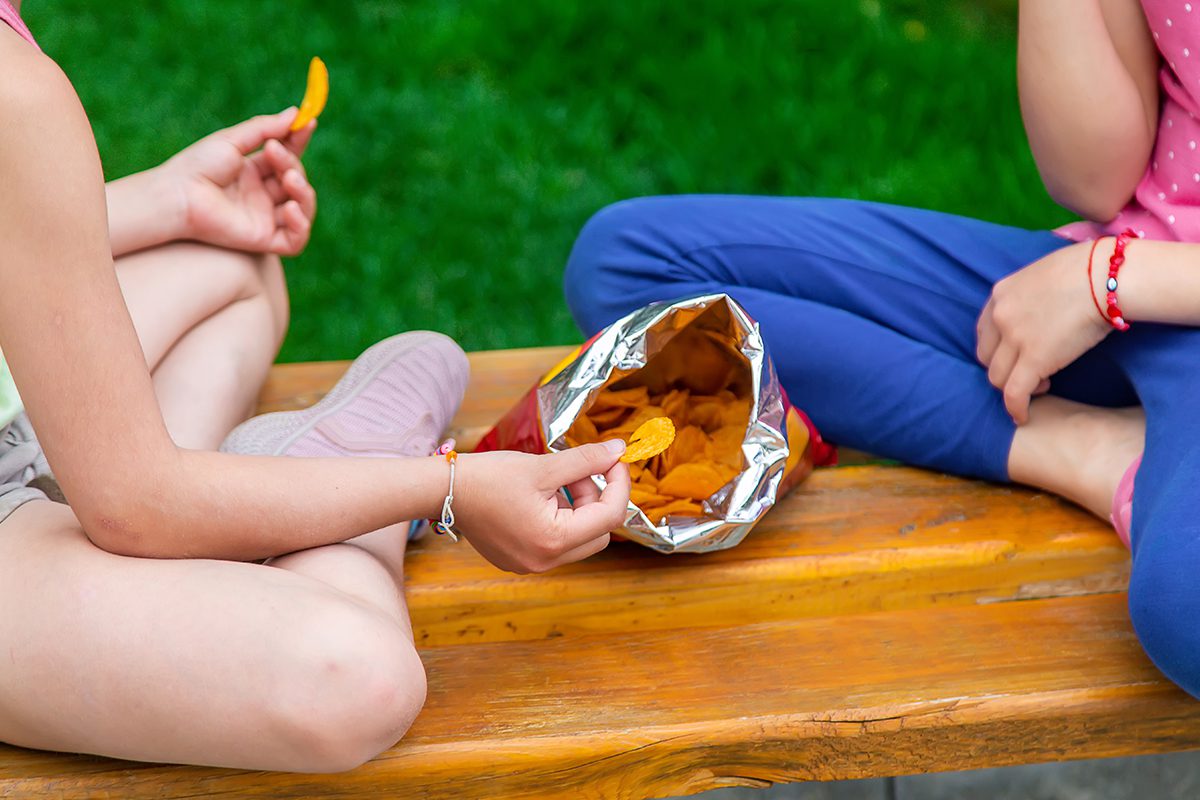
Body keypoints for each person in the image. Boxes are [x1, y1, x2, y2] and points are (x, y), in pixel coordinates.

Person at [0, 0, 630, 772]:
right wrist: (442, 487)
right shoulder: (14, 93)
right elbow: (133, 506)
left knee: (235, 271)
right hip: (92, 501)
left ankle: (217, 510)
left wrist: (169, 201)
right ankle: (333, 522)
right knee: (357, 679)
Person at [564, 0, 1200, 698]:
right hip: (1104, 284)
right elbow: (1095, 179)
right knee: (634, 270)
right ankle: (1081, 447)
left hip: (1121, 282)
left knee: (1185, 611)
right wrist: (1101, 278)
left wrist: (1115, 280)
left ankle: (1105, 462)